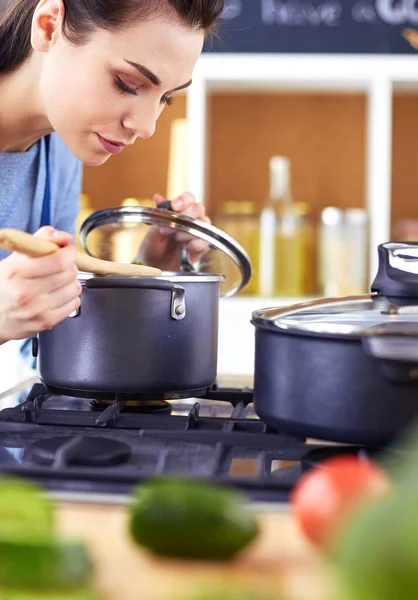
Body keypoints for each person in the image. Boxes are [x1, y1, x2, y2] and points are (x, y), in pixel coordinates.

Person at [0, 0, 223, 347]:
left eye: (166, 98)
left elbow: (49, 345)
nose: (147, 127)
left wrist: (145, 274)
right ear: (48, 26)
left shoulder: (59, 151)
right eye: (127, 83)